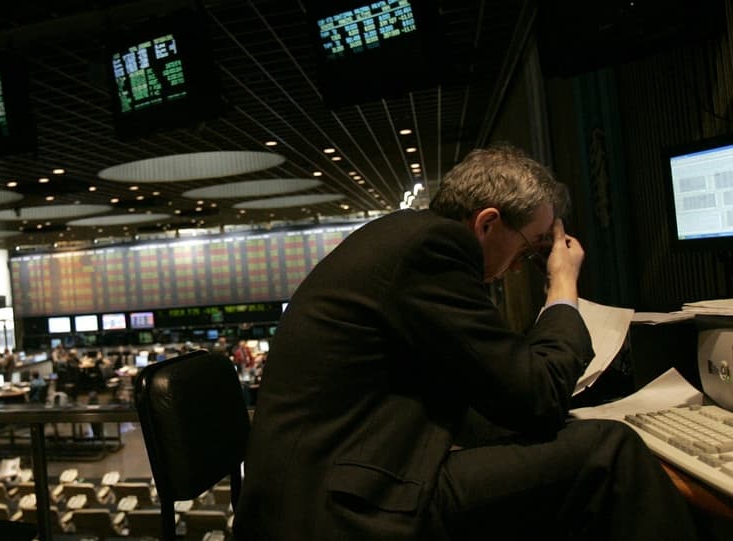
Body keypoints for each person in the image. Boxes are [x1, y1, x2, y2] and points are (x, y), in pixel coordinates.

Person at [234, 144, 697, 540]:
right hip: (340, 512)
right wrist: (561, 286)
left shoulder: (408, 238)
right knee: (610, 450)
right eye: (533, 247)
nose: (526, 264)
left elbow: (494, 380)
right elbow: (534, 396)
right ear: (487, 224)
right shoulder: (433, 250)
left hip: (325, 484)